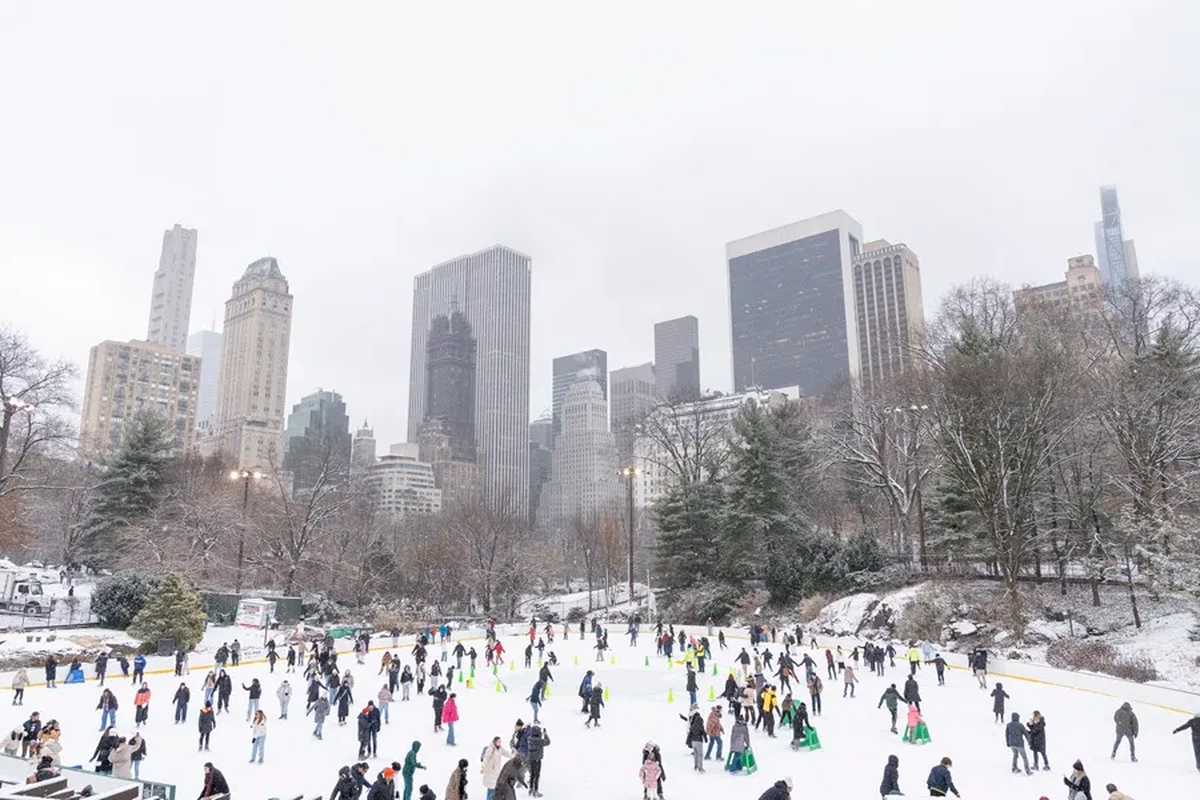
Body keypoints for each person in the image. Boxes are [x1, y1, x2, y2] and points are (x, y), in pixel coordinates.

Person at [526, 724, 549, 797]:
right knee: (537, 775)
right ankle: (536, 790)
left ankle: (531, 789)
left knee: (532, 775)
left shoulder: (530, 739)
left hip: (531, 759)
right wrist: (545, 734)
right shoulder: (538, 740)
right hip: (537, 760)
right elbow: (548, 742)